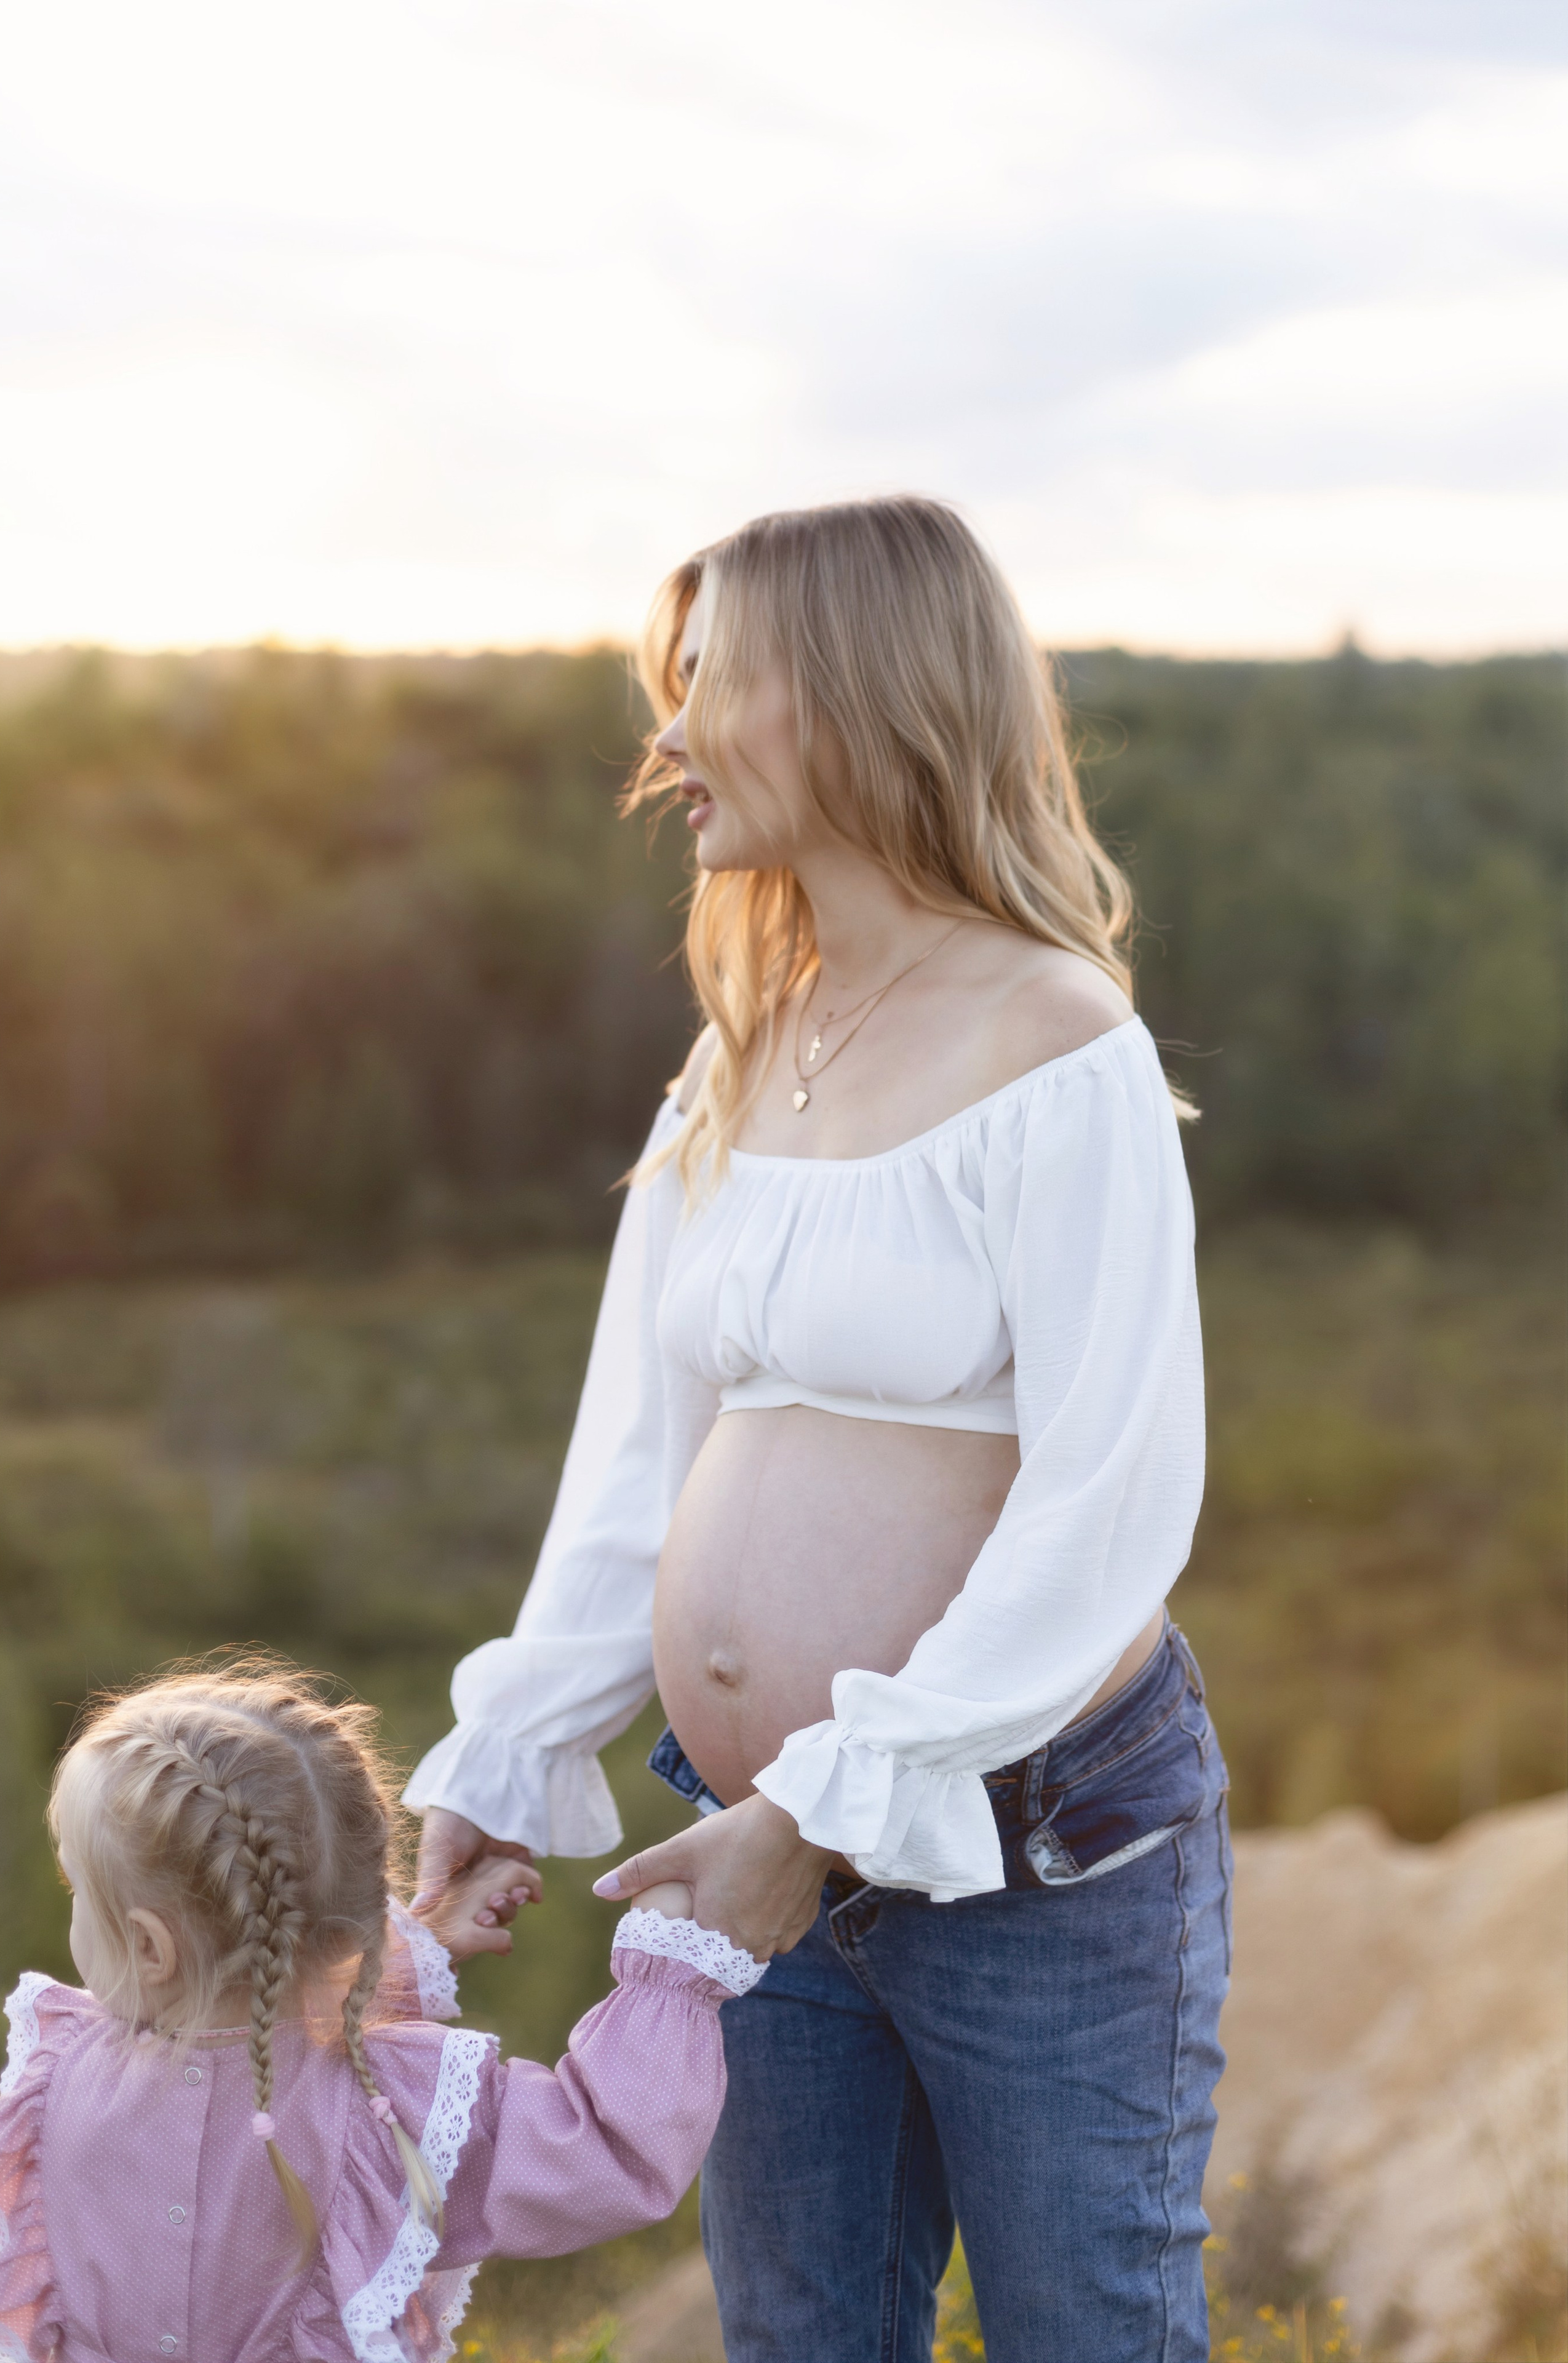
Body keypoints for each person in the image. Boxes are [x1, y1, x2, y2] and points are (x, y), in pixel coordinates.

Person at [406, 496, 1230, 2363]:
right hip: (747, 1854)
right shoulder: (745, 1038)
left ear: (857, 694)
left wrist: (836, 1798)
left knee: (1085, 2330)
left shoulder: (1057, 1040)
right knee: (798, 2336)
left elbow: (1107, 1506)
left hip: (1037, 1850)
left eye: (715, 687)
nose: (668, 739)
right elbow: (641, 1453)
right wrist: (511, 1741)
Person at [0, 1660, 763, 2363]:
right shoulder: (392, 2106)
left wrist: (412, 1950)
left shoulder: (54, 2085)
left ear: (150, 1948)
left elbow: (255, 2028)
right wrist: (672, 1973)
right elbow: (604, 2155)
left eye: (78, 1895)